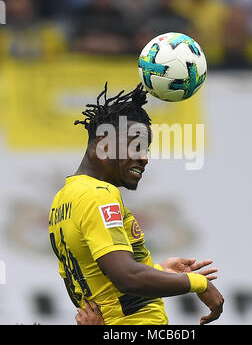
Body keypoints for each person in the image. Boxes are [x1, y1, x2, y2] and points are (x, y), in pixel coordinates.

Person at [48, 83, 224, 325]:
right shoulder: (99, 194)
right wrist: (198, 284)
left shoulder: (63, 199)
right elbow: (127, 277)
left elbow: (98, 283)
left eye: (146, 149)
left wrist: (159, 271)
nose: (143, 158)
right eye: (136, 146)